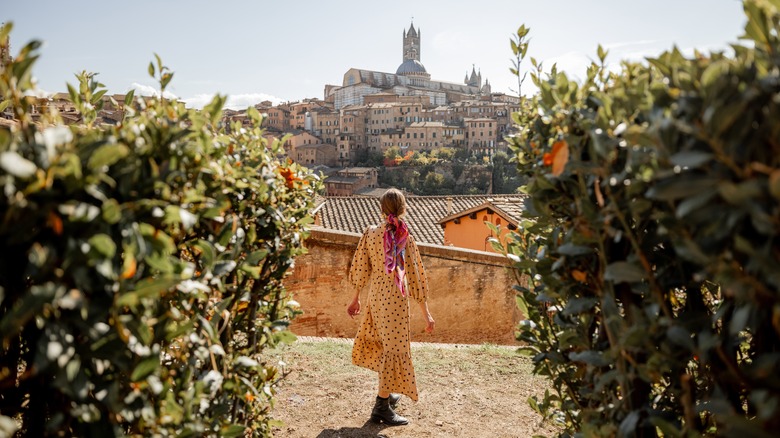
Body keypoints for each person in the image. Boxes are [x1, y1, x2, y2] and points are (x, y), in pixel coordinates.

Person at [347, 188, 435, 426]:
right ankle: (381, 408)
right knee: (393, 349)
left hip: (376, 298)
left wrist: (355, 298)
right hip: (395, 301)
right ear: (402, 208)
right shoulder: (405, 236)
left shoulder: (370, 233)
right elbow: (415, 276)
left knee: (385, 346)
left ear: (381, 209)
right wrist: (426, 313)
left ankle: (387, 394)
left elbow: (360, 268)